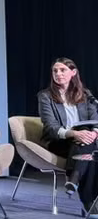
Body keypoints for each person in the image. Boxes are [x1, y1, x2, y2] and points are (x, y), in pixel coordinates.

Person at [38, 57, 98, 209]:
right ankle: (87, 200)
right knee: (87, 146)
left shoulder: (85, 94)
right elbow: (51, 126)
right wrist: (73, 134)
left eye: (62, 70)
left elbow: (95, 118)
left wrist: (95, 133)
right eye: (55, 71)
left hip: (85, 140)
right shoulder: (45, 96)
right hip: (59, 140)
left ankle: (74, 178)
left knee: (87, 145)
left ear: (73, 72)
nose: (58, 73)